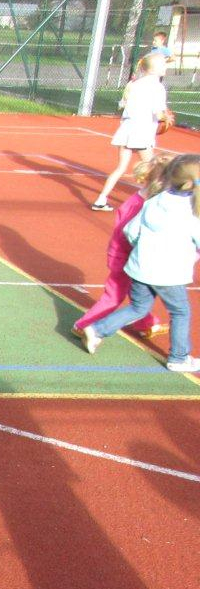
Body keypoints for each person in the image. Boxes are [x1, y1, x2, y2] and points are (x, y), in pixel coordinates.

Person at [82, 153, 200, 373]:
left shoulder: (154, 201)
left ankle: (97, 329)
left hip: (139, 267)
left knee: (138, 307)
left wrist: (145, 248)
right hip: (170, 273)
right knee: (180, 312)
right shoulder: (192, 212)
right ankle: (179, 358)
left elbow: (131, 231)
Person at [72, 153, 173, 342]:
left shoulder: (139, 199)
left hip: (123, 254)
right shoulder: (143, 206)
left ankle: (147, 324)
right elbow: (128, 235)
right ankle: (83, 325)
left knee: (138, 293)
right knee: (114, 295)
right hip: (125, 257)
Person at [92, 54, 168, 212]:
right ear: (154, 69)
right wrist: (166, 118)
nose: (165, 67)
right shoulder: (157, 87)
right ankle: (152, 203)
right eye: (163, 64)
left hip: (127, 128)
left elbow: (126, 106)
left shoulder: (135, 84)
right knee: (155, 169)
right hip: (142, 131)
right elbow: (158, 113)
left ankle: (101, 199)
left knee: (120, 168)